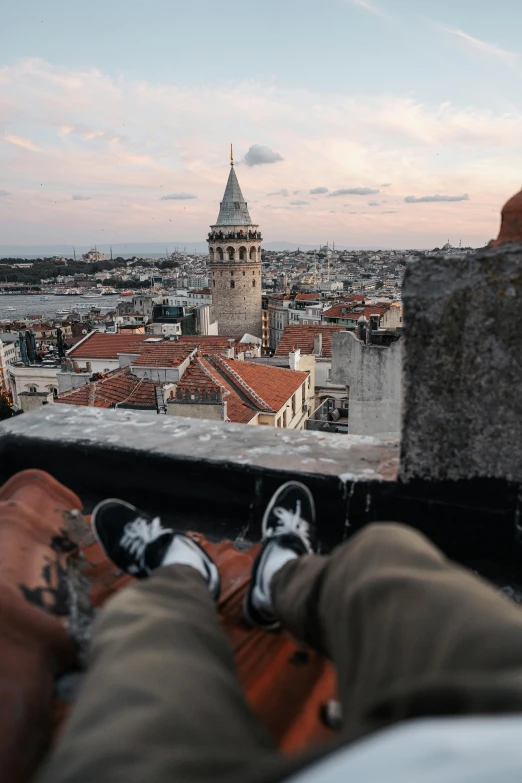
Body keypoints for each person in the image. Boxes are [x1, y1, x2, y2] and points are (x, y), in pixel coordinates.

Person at [37, 482, 522, 783]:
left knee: (140, 631)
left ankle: (181, 572)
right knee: (384, 553)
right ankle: (277, 576)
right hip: (504, 714)